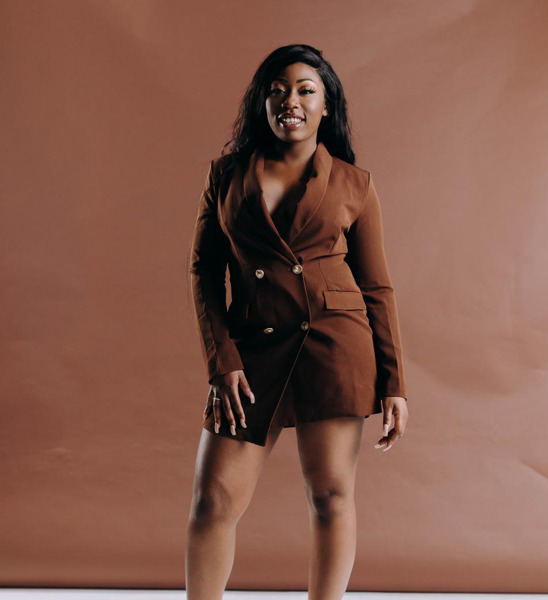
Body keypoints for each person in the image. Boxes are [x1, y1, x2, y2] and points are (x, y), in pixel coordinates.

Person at [185, 43, 409, 600]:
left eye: (307, 90)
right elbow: (205, 271)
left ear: (326, 106)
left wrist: (394, 382)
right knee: (213, 501)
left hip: (334, 346)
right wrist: (221, 361)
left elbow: (376, 287)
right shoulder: (225, 176)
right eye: (278, 89)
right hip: (251, 350)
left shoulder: (355, 184)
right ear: (262, 102)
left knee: (331, 496)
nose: (291, 100)